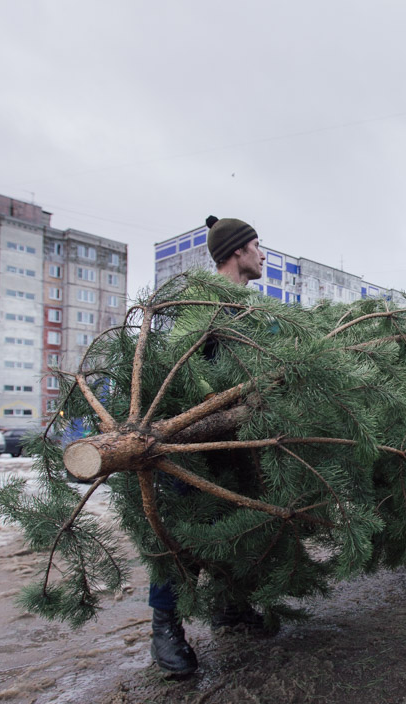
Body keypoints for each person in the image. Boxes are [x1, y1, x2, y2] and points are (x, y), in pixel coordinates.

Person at [149, 215, 267, 678]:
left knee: (235, 522)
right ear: (237, 251)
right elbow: (179, 362)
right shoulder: (205, 300)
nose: (262, 254)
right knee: (179, 536)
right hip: (191, 443)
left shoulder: (246, 308)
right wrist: (211, 404)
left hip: (234, 441)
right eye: (257, 245)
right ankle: (165, 630)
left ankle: (229, 607)